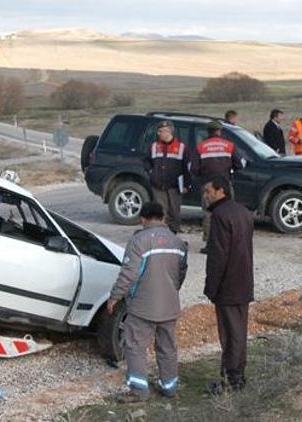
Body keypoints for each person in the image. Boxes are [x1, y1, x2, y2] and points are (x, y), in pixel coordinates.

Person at [107, 202, 188, 402]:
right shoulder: (178, 243)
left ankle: (139, 390)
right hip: (169, 306)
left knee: (135, 345)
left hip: (143, 307)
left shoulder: (139, 241)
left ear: (143, 219)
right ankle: (169, 386)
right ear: (163, 218)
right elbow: (181, 274)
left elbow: (129, 274)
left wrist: (115, 296)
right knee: (167, 347)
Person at [202, 176, 254, 394]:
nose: (205, 196)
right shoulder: (242, 211)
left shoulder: (220, 215)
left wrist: (211, 287)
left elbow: (218, 256)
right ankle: (237, 376)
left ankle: (232, 380)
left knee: (230, 334)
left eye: (208, 191)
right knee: (238, 331)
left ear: (220, 190)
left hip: (228, 285)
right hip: (243, 281)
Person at [192, 121, 245, 253]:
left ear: (207, 131)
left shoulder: (201, 147)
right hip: (225, 185)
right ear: (220, 131)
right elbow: (240, 164)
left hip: (208, 186)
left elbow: (193, 168)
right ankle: (229, 242)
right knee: (228, 213)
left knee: (209, 214)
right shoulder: (229, 146)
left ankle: (210, 245)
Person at [144, 121, 191, 233]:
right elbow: (146, 161)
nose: (158, 133)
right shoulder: (153, 146)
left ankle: (173, 234)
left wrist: (186, 185)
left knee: (174, 212)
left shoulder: (182, 147)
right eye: (158, 131)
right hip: (158, 186)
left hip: (174, 186)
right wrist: (151, 172)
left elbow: (187, 168)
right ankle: (161, 234)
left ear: (169, 131)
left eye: (161, 131)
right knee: (160, 212)